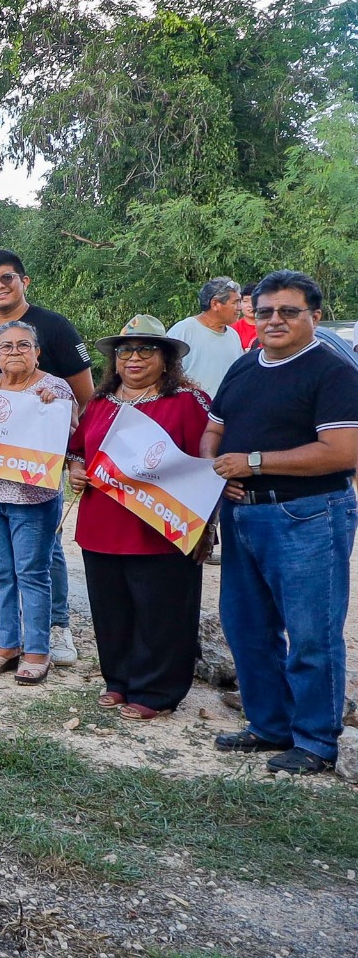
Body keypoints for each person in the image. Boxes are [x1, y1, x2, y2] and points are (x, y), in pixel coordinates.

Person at [202, 270, 358, 775]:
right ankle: (269, 725)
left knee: (312, 632)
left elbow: (341, 451)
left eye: (288, 311)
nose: (275, 320)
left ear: (314, 316)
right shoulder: (245, 366)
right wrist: (215, 470)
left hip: (309, 514)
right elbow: (214, 429)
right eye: (265, 311)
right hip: (243, 513)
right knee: (246, 626)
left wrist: (252, 463)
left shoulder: (333, 373)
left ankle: (315, 740)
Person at [0, 250, 93, 666]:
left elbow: (83, 402)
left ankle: (54, 629)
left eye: (7, 278)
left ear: (23, 281)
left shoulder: (55, 329)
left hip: (34, 485)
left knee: (41, 559)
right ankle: (7, 634)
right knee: (3, 567)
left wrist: (69, 443)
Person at [67, 316, 212, 720]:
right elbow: (79, 449)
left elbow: (208, 462)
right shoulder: (100, 401)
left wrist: (206, 525)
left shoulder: (188, 402)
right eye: (125, 350)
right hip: (102, 524)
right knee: (112, 608)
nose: (133, 358)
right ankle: (119, 680)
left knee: (161, 609)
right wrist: (76, 468)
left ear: (166, 359)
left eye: (146, 350)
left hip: (160, 526)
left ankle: (157, 690)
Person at [0, 320, 76, 686]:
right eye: (7, 347)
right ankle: (6, 643)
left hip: (33, 497)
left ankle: (37, 650)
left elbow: (74, 430)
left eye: (23, 345)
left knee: (32, 573)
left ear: (37, 352)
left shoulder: (54, 387)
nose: (15, 352)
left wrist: (57, 408)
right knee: (0, 573)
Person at [166, 278, 245, 397]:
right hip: (192, 409)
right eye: (235, 302)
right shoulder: (185, 330)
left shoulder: (233, 335)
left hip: (224, 412)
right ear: (215, 304)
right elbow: (165, 372)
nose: (240, 308)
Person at [230, 283, 258, 350]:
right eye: (246, 301)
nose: (250, 305)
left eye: (254, 301)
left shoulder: (271, 326)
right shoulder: (232, 330)